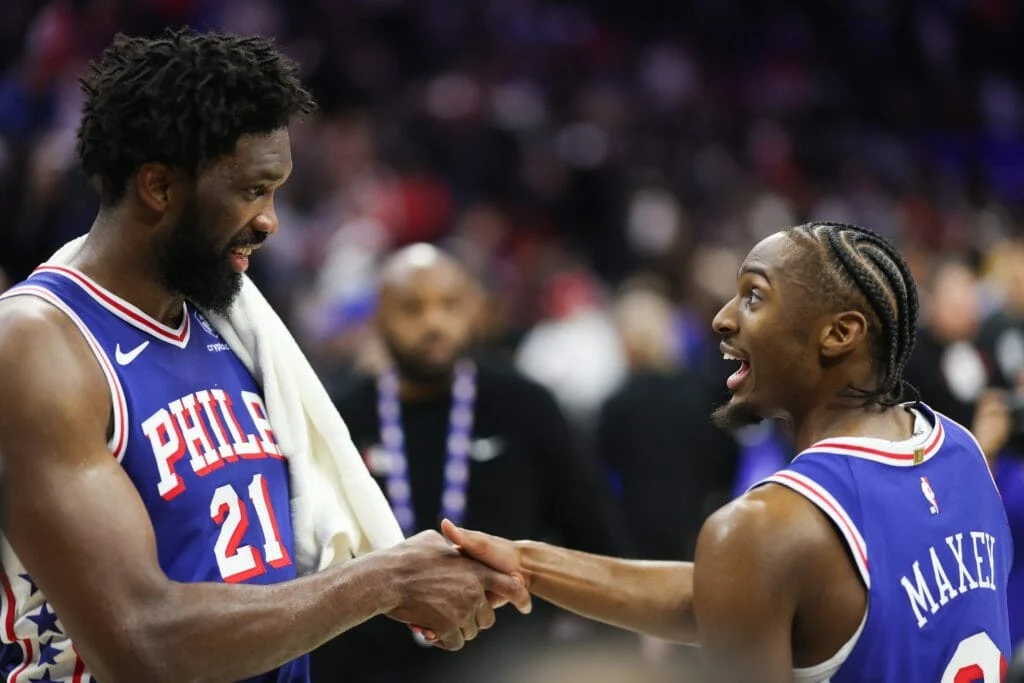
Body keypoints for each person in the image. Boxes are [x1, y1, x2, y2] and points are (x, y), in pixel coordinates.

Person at [0, 29, 529, 683]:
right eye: (253, 190)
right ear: (159, 185)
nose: (270, 220)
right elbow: (142, 642)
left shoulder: (232, 320)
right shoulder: (38, 346)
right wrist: (386, 579)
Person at [439, 222, 1014, 682]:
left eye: (754, 297)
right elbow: (733, 599)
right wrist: (526, 563)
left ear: (839, 334)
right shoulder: (960, 450)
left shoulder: (765, 528)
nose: (722, 318)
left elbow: (754, 579)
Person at [312, 243, 632, 682]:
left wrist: (618, 651)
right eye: (413, 308)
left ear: (474, 311)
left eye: (449, 305)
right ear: (379, 318)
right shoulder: (338, 419)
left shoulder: (526, 405)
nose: (434, 322)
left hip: (508, 667)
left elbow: (594, 539)